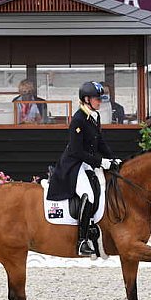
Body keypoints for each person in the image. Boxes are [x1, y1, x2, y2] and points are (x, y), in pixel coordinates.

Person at [46, 81, 121, 256]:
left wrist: (113, 158)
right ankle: (82, 240)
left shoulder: (94, 116)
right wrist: (101, 162)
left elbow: (100, 142)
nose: (100, 102)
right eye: (97, 98)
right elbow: (76, 151)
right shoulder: (78, 120)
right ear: (86, 99)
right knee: (89, 195)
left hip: (88, 163)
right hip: (74, 165)